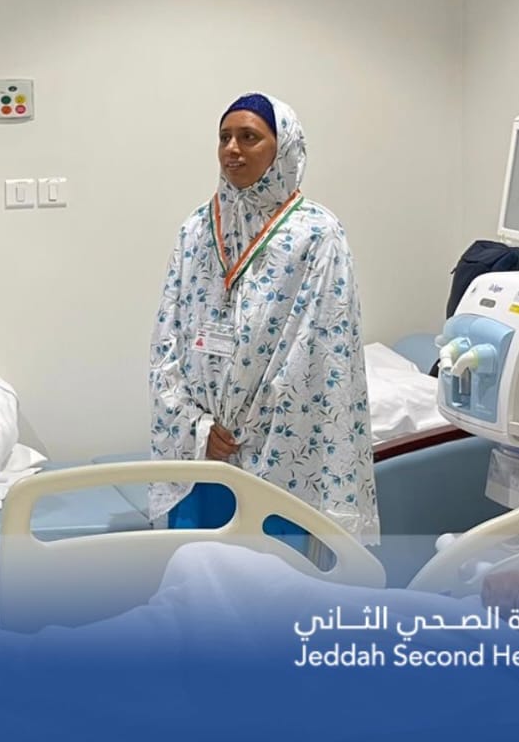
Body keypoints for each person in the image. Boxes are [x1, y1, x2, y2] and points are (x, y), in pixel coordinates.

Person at [149, 92, 378, 545]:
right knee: (196, 573)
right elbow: (165, 340)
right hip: (204, 450)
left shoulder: (317, 235)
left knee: (268, 575)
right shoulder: (196, 229)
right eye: (224, 137)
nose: (232, 149)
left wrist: (255, 426)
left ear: (284, 147)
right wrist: (196, 426)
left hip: (276, 450)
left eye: (249, 137)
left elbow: (321, 351)